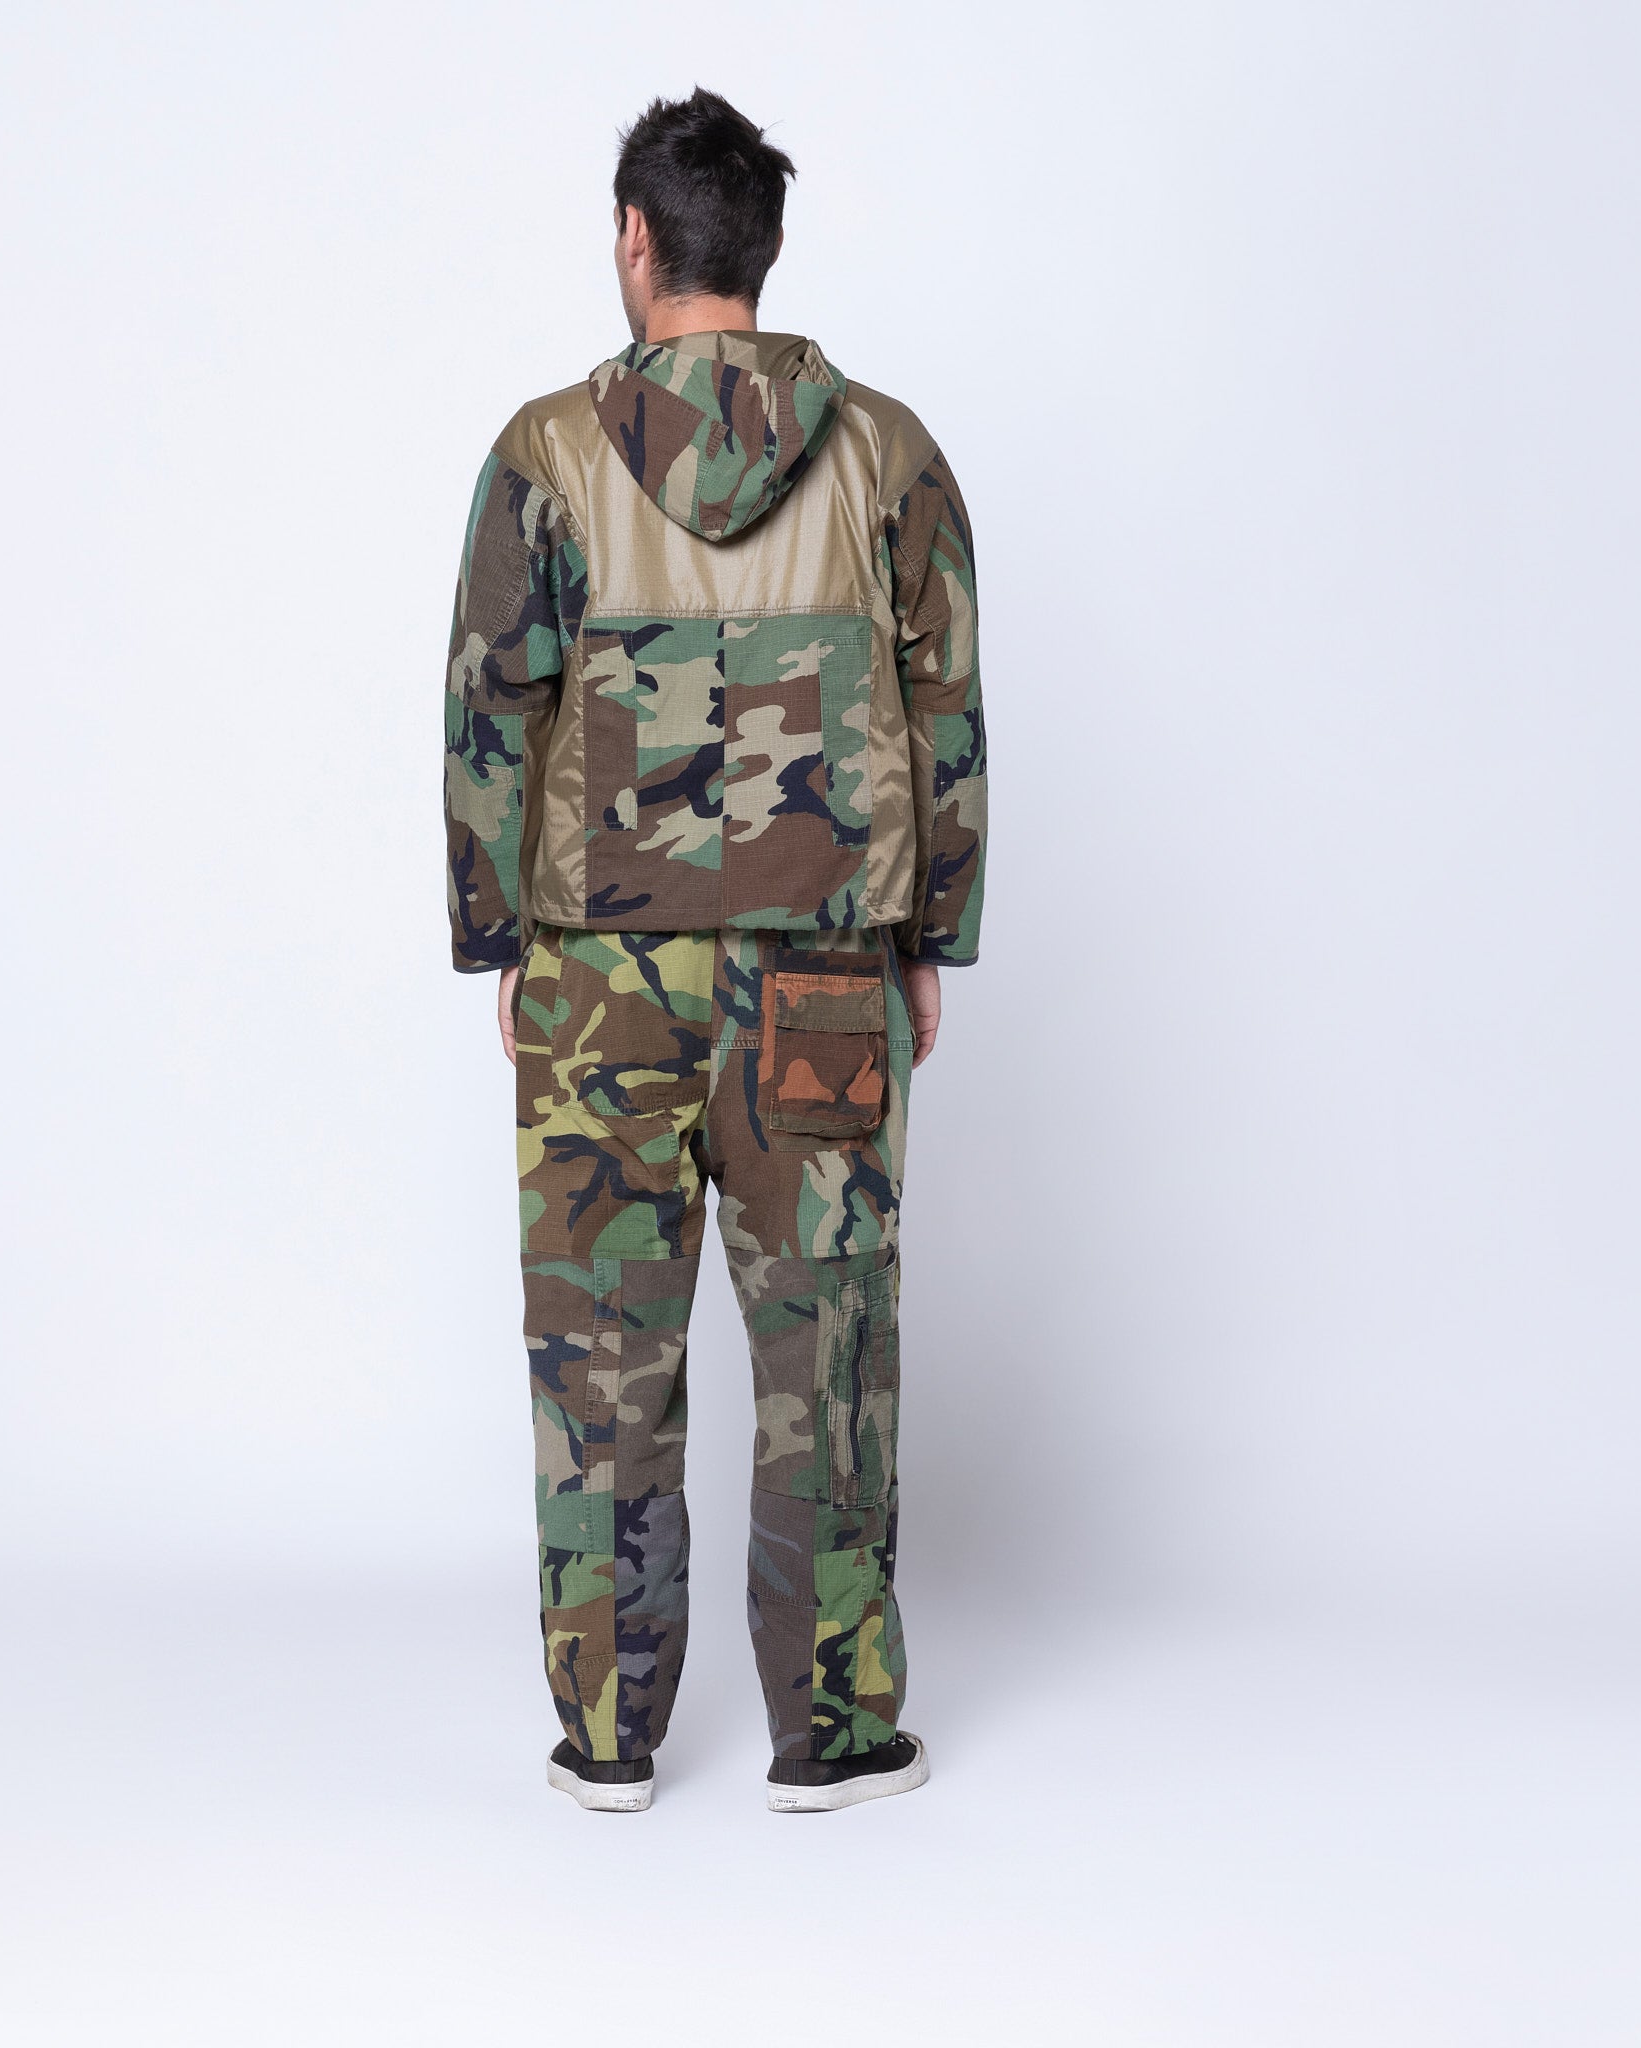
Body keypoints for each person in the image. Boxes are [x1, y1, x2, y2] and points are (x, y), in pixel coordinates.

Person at [441, 87, 985, 1814]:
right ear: (767, 243)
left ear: (635, 239)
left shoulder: (544, 455)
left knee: (601, 1356)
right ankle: (835, 1732)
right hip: (826, 974)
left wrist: (500, 939)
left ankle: (606, 1736)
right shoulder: (889, 454)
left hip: (599, 986)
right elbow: (948, 711)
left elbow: (489, 712)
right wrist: (928, 939)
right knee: (830, 1355)